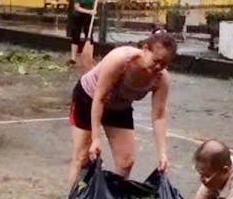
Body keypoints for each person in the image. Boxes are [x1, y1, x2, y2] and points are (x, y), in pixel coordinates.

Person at [68, 31, 176, 185]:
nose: (159, 67)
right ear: (145, 49)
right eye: (156, 60)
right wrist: (96, 139)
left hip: (120, 106)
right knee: (82, 157)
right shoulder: (120, 60)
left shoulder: (161, 79)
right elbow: (99, 98)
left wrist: (163, 153)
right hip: (89, 98)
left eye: (164, 64)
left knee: (126, 161)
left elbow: (158, 116)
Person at [69, 0, 97, 65]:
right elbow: (77, 7)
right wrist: (89, 11)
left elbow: (100, 0)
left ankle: (90, 57)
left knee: (89, 36)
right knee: (75, 36)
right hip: (78, 16)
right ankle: (73, 58)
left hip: (88, 17)